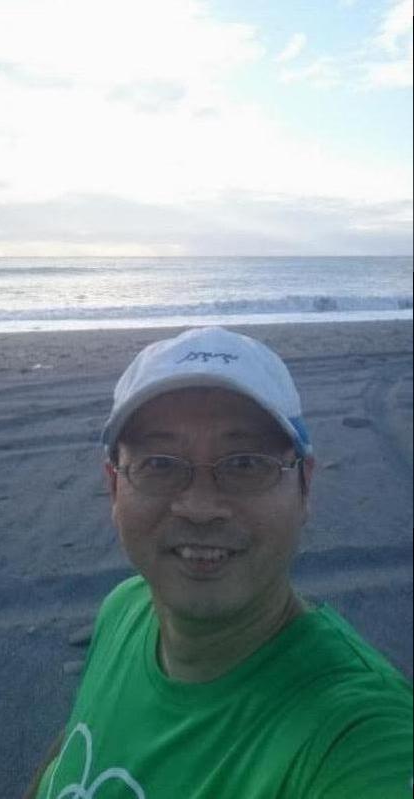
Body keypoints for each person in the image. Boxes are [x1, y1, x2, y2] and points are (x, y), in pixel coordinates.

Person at [26, 326, 413, 799]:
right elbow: (75, 740)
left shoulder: (356, 735)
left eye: (245, 463)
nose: (200, 507)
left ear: (304, 487)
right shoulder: (124, 608)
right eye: (160, 464)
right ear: (113, 486)